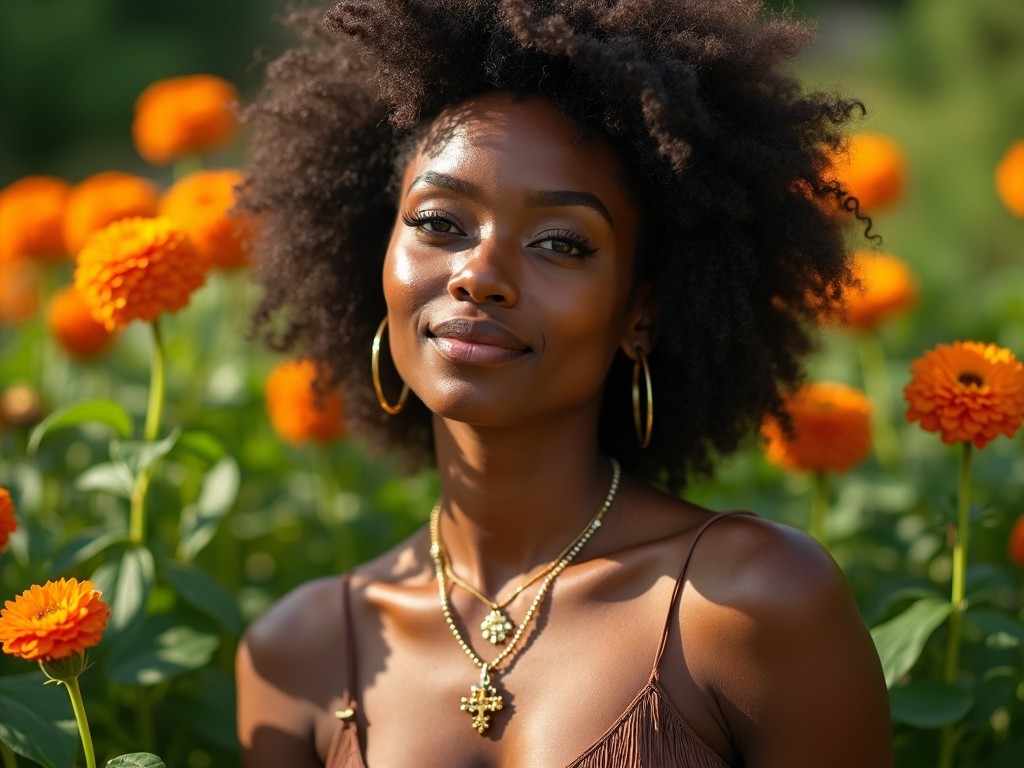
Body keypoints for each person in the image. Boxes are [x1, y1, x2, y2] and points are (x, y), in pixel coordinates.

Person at [234, 1, 893, 765]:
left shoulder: (754, 604)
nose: (479, 276)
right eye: (440, 223)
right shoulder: (298, 656)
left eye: (559, 242)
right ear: (371, 262)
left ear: (639, 315)